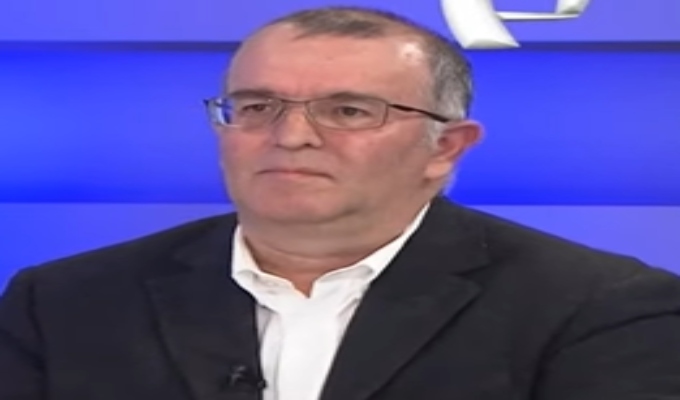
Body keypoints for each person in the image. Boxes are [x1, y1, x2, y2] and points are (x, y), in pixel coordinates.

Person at [2, 6, 680, 400]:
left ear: (446, 147)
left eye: (349, 110)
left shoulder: (602, 309)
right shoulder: (61, 301)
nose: (291, 135)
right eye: (257, 106)